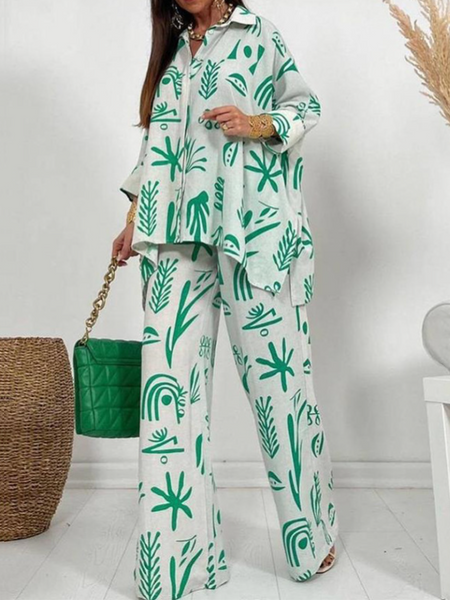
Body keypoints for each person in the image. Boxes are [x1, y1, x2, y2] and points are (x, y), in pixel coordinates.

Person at [112, 1, 338, 598]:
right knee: (169, 399)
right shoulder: (174, 49)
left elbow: (306, 106)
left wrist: (255, 123)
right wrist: (133, 219)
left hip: (254, 233)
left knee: (279, 392)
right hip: (173, 237)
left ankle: (312, 535)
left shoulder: (259, 34)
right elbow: (158, 145)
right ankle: (179, 564)